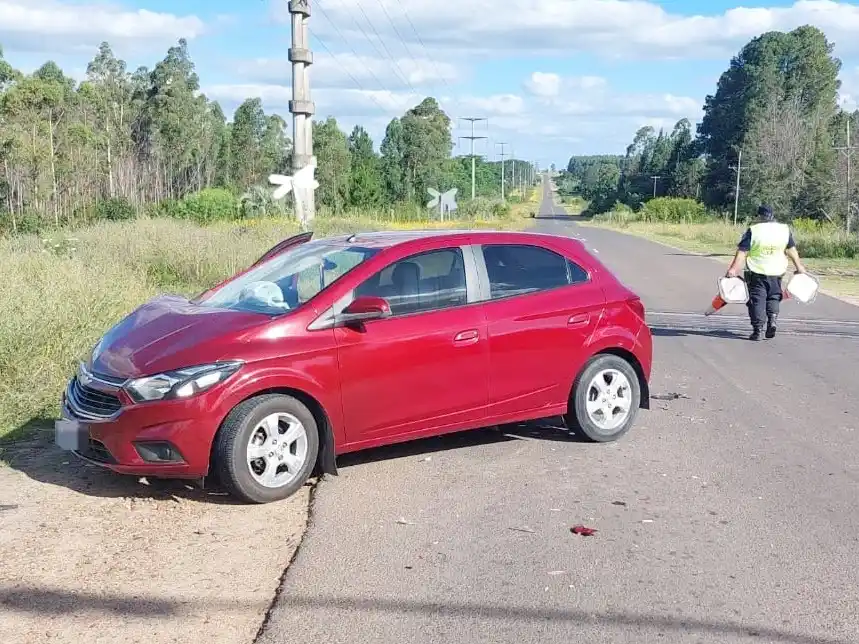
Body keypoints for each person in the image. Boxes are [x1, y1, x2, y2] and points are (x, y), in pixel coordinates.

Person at [725, 204, 807, 341]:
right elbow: (791, 250)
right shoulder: (783, 230)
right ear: (772, 215)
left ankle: (757, 330)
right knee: (773, 297)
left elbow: (742, 252)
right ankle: (772, 320)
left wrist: (733, 269)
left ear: (759, 216)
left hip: (757, 271)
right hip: (777, 271)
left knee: (757, 300)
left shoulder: (754, 230)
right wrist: (799, 267)